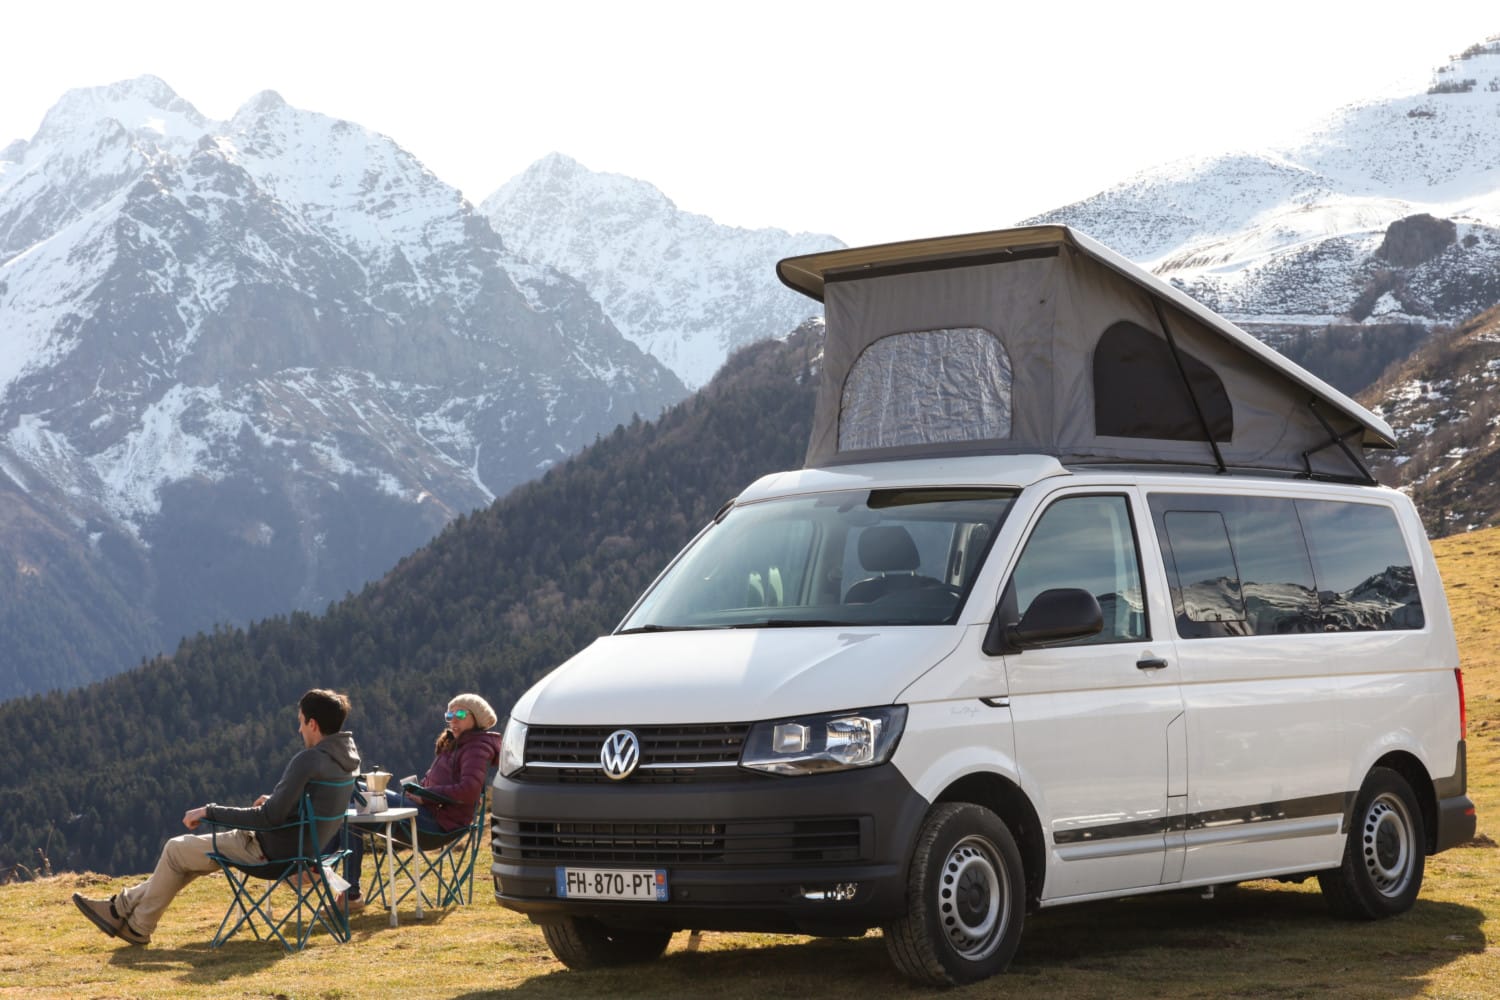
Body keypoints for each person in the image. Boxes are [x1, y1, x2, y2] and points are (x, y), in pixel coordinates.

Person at [72, 688, 360, 946]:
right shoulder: (344, 761)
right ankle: (119, 909)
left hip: (269, 853)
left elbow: (267, 818)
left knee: (175, 850)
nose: (299, 730)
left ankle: (136, 925)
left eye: (300, 722)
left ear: (313, 724)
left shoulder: (309, 760)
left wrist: (209, 811)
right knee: (185, 860)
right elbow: (311, 806)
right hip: (302, 851)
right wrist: (276, 802)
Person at [343, 692, 501, 908]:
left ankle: (343, 888)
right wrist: (420, 792)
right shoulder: (454, 744)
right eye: (449, 715)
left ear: (477, 718)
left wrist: (425, 795)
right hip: (425, 813)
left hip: (437, 825)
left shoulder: (476, 747)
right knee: (352, 790)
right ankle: (343, 886)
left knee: (350, 810)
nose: (453, 720)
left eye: (460, 714)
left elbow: (469, 791)